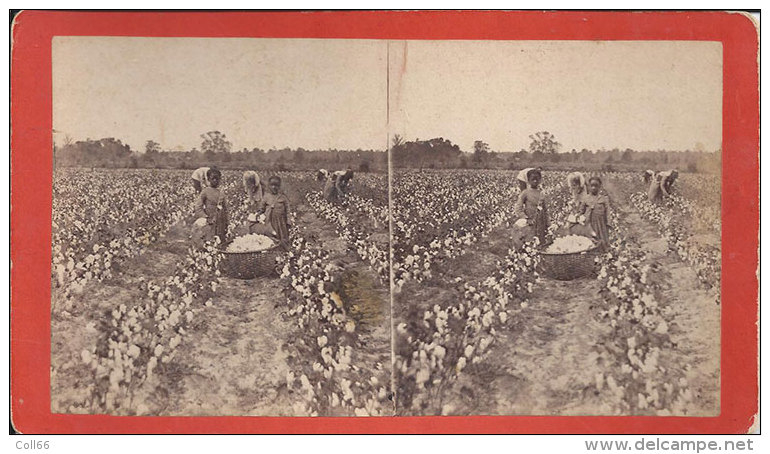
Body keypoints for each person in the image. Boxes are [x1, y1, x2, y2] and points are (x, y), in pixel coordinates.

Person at [253, 175, 291, 252]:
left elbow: (288, 211)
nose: (274, 187)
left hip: (280, 222)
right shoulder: (266, 197)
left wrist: (288, 221)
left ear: (279, 186)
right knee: (270, 235)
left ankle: (284, 250)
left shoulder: (283, 198)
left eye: (276, 185)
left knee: (282, 235)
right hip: (269, 221)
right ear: (269, 186)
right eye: (272, 185)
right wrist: (258, 214)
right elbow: (262, 208)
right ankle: (272, 250)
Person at [513, 168, 548, 247]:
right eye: (533, 179)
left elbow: (545, 210)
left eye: (537, 179)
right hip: (530, 222)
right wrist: (526, 218)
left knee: (541, 243)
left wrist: (548, 224)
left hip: (541, 223)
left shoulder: (541, 193)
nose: (535, 181)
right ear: (528, 180)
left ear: (540, 180)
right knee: (530, 243)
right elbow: (518, 209)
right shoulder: (525, 193)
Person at [193, 167, 228, 245]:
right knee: (209, 242)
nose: (215, 181)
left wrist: (227, 223)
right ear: (208, 179)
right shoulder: (205, 191)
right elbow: (198, 207)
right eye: (213, 179)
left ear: (220, 180)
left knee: (220, 241)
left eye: (217, 179)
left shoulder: (221, 193)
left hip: (221, 221)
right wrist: (205, 217)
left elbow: (225, 209)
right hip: (209, 221)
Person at [581, 176, 611, 251]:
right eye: (592, 186)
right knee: (590, 238)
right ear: (589, 186)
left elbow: (607, 211)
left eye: (596, 186)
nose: (594, 188)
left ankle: (603, 251)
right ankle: (591, 252)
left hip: (601, 222)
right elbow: (581, 211)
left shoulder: (604, 198)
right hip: (589, 222)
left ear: (600, 187)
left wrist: (608, 222)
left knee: (602, 237)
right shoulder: (586, 198)